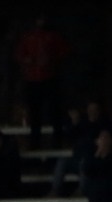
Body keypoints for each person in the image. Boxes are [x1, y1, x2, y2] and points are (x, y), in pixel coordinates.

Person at [14, 13, 71, 148]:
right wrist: (27, 60)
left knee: (54, 111)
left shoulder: (52, 36)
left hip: (49, 77)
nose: (40, 22)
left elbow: (64, 51)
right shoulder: (28, 36)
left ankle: (56, 141)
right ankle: (35, 142)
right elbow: (19, 55)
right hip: (33, 79)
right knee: (35, 112)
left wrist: (51, 59)